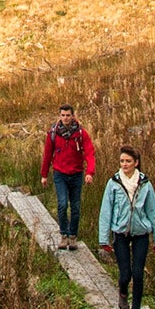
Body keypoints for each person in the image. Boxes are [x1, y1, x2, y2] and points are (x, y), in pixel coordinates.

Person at [95, 145, 155, 309]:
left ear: (136, 163)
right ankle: (123, 292)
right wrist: (104, 239)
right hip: (121, 233)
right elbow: (106, 211)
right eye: (122, 161)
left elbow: (153, 211)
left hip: (141, 232)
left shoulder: (145, 184)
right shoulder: (114, 183)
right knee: (125, 274)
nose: (124, 164)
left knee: (138, 273)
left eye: (128, 161)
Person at [39, 103, 96, 249]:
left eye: (68, 115)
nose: (65, 118)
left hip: (76, 174)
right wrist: (44, 174)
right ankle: (63, 234)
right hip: (60, 174)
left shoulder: (81, 134)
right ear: (60, 116)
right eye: (63, 115)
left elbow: (89, 152)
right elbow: (47, 154)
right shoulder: (53, 133)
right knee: (62, 204)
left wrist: (90, 172)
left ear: (73, 116)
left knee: (75, 206)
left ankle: (73, 236)